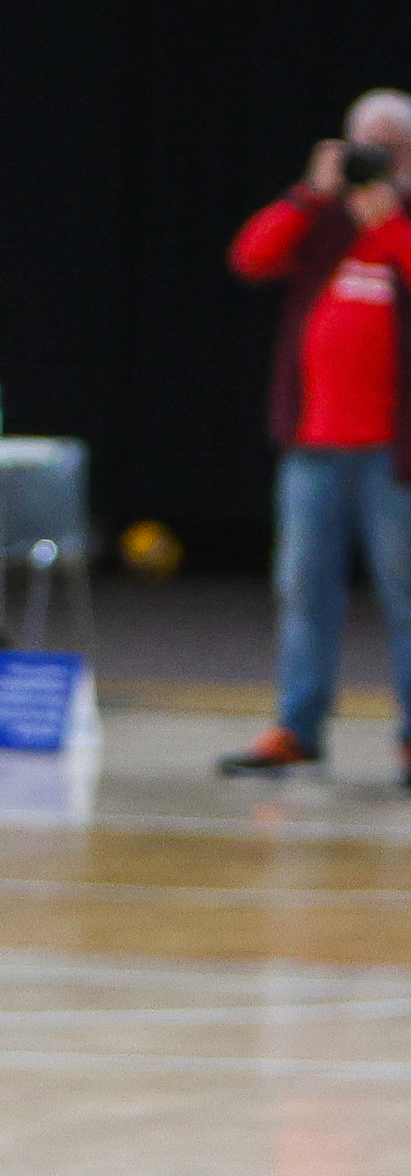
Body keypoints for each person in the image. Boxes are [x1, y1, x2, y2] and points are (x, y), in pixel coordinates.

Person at [218, 88, 411, 781]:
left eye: (390, 147)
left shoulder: (404, 223)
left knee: (405, 593)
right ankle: (298, 728)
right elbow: (249, 258)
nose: (376, 158)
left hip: (395, 454)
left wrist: (390, 222)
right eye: (367, 145)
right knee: (303, 589)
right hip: (314, 444)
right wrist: (308, 192)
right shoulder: (319, 219)